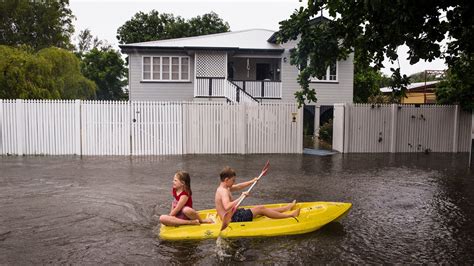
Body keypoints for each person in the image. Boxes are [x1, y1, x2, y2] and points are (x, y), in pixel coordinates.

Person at [215, 166, 300, 223]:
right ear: (226, 180)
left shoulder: (225, 187)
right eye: (233, 180)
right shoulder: (223, 191)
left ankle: (286, 208)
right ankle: (291, 215)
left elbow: (238, 186)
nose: (234, 182)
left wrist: (252, 181)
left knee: (261, 208)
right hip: (232, 219)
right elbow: (227, 206)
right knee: (261, 209)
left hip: (235, 214)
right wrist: (241, 197)